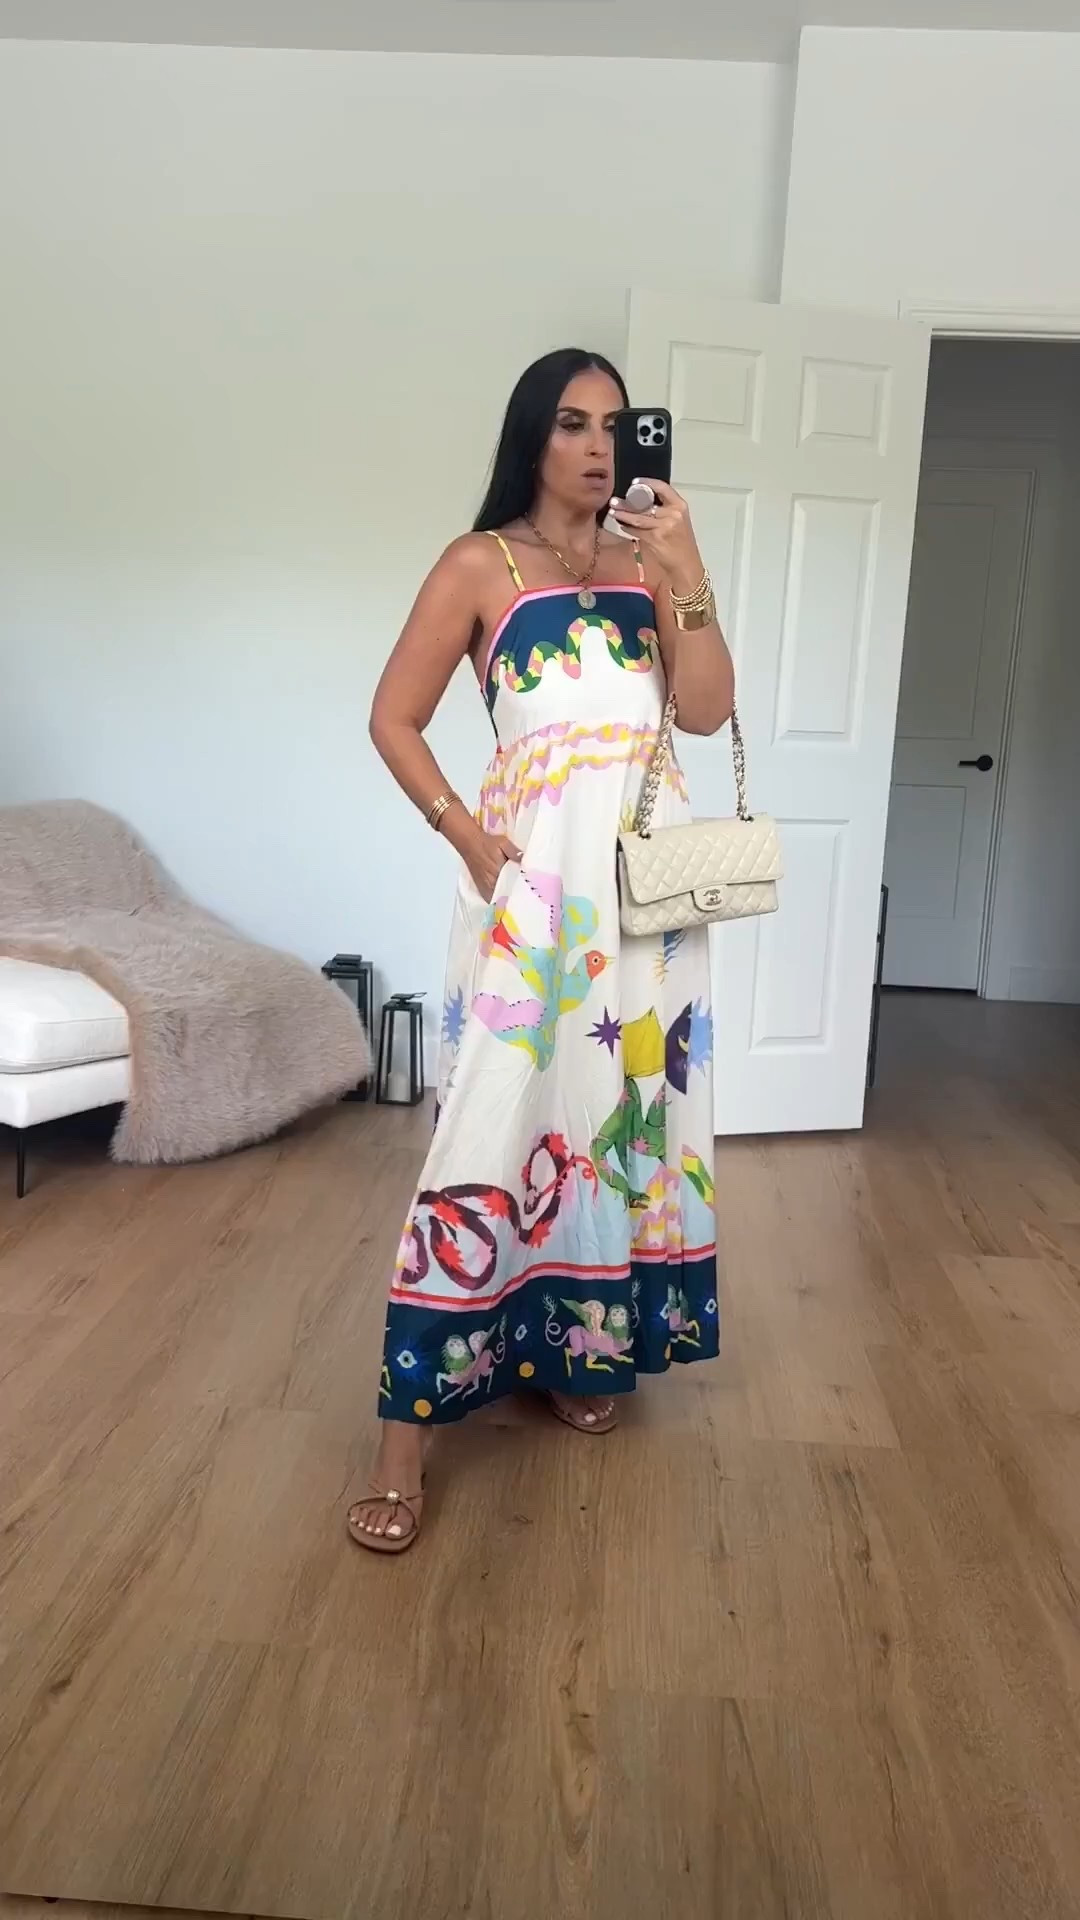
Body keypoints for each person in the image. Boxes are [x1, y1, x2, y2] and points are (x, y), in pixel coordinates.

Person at [349, 348, 734, 1553]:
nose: (598, 447)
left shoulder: (651, 560)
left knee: (617, 1120)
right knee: (490, 1122)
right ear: (532, 436)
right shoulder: (481, 565)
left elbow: (707, 710)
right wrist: (467, 838)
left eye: (616, 426)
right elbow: (393, 717)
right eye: (572, 423)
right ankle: (404, 1437)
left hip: (646, 905)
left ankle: (579, 1346)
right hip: (534, 898)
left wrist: (686, 571)